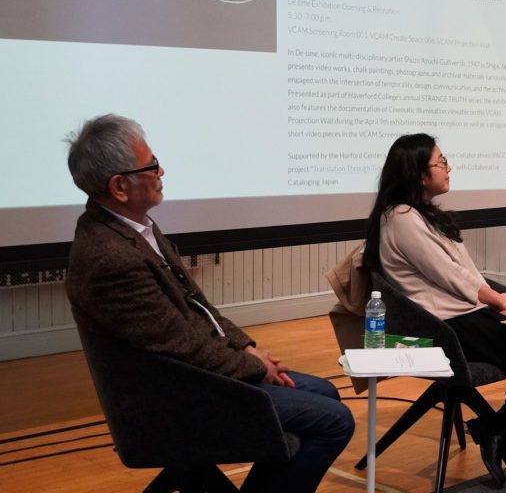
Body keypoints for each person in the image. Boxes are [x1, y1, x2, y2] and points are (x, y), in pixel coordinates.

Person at [64, 114, 354, 492]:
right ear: (119, 186)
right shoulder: (109, 257)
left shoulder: (133, 228)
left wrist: (247, 347)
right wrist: (252, 367)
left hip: (192, 381)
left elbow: (198, 308)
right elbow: (181, 345)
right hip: (170, 402)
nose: (161, 170)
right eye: (151, 165)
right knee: (333, 422)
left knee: (325, 394)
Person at [364, 133, 506, 492]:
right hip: (448, 327)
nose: (448, 167)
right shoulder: (402, 217)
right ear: (419, 174)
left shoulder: (425, 215)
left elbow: (467, 272)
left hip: (471, 316)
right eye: (441, 162)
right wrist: (500, 303)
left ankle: (503, 433)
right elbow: (450, 277)